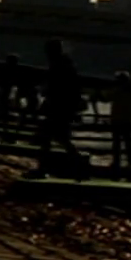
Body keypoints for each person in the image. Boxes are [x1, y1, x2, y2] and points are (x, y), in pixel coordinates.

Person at [34, 37, 82, 175]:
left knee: (51, 137)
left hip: (59, 107)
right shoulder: (65, 65)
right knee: (57, 137)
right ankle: (75, 162)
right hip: (61, 107)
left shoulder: (59, 66)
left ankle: (44, 167)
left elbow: (57, 88)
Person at [107, 72, 131, 178]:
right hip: (127, 119)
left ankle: (117, 162)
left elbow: (107, 97)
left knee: (117, 143)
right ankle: (129, 163)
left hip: (117, 119)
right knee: (127, 143)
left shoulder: (117, 90)